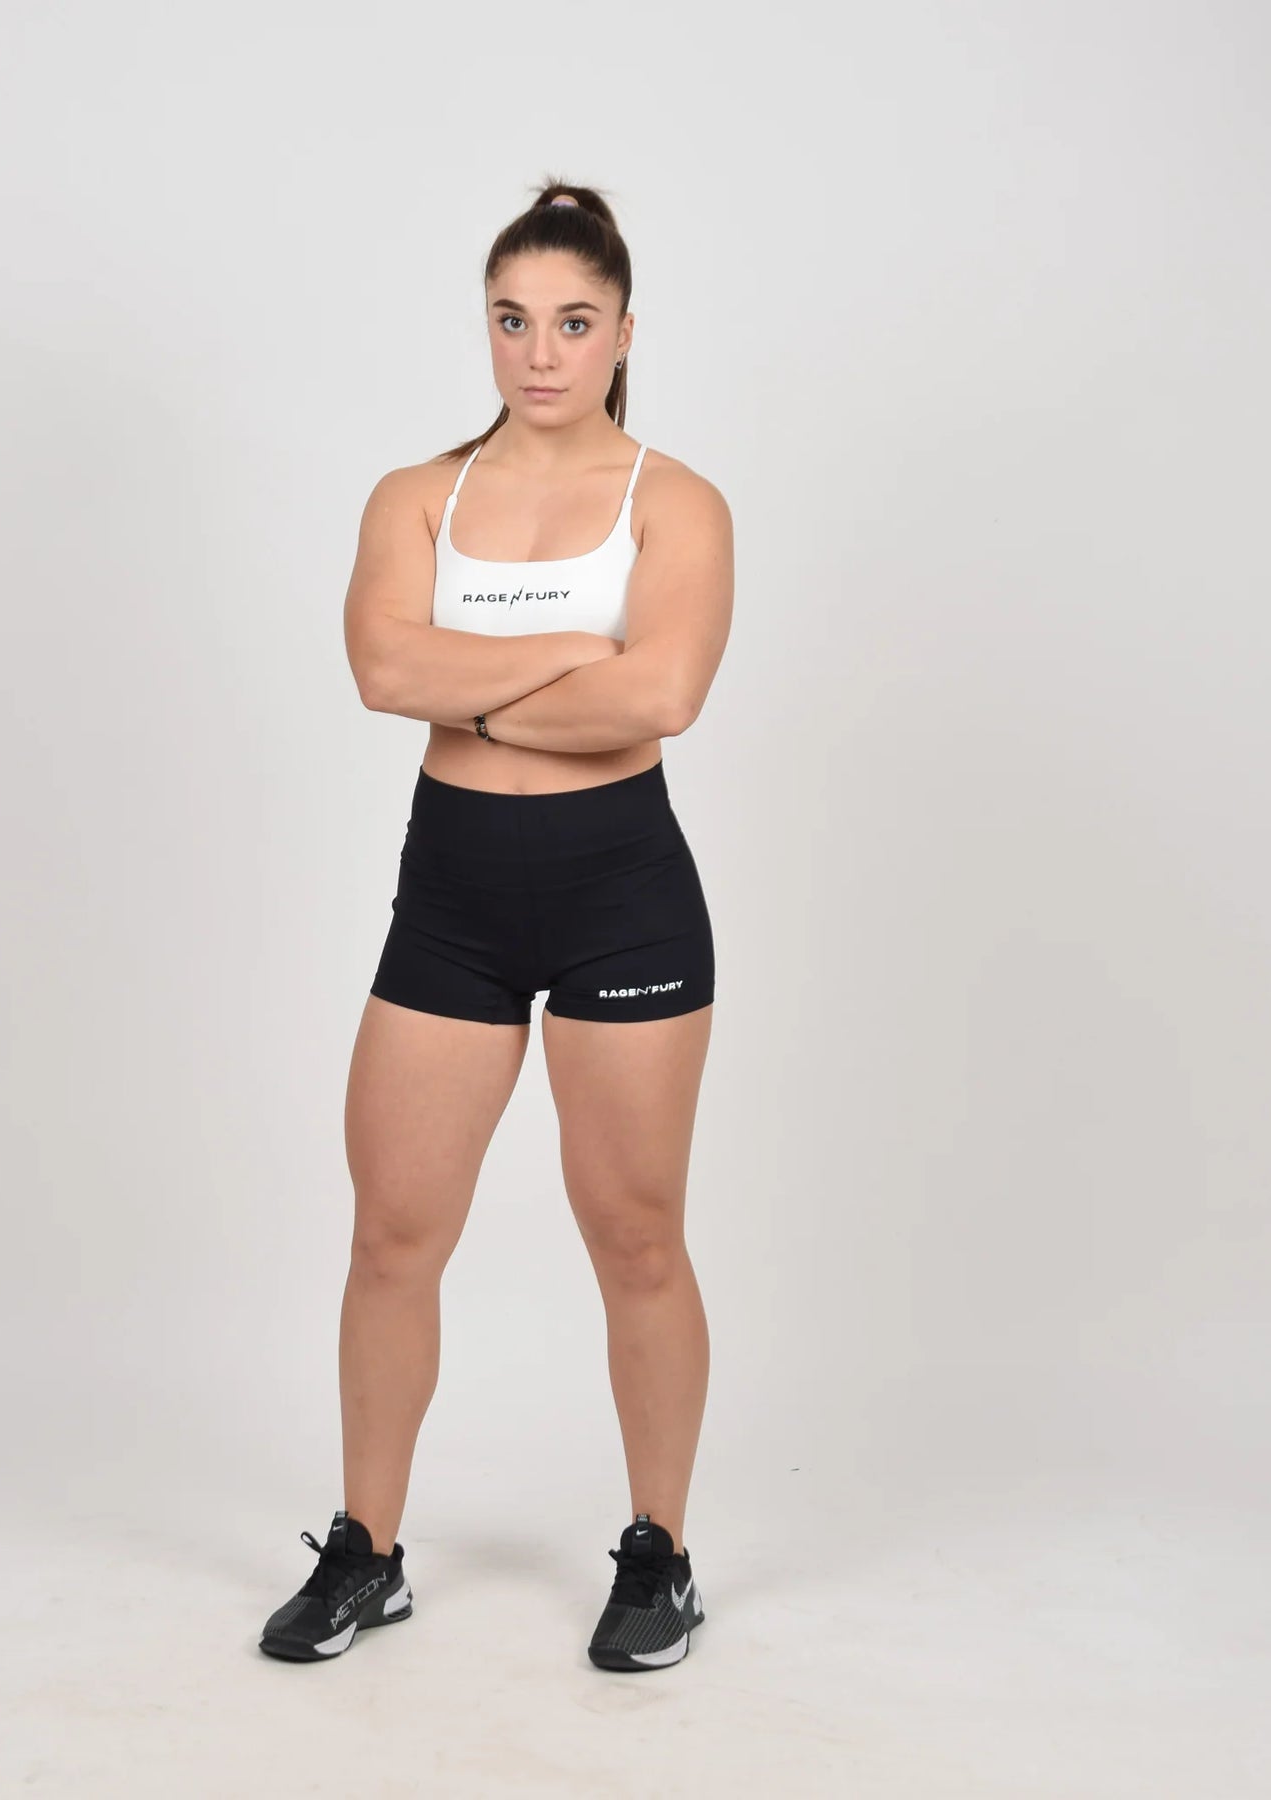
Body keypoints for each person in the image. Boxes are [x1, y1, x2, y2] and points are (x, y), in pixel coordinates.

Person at [259, 178, 733, 1672]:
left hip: (622, 894)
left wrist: (465, 679)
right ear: (487, 327)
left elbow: (663, 696)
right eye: (514, 320)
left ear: (624, 333)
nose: (541, 352)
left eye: (574, 323)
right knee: (393, 1235)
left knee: (636, 1235)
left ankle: (660, 1556)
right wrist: (572, 653)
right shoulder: (417, 496)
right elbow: (377, 672)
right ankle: (367, 1552)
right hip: (453, 896)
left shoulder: (677, 502)